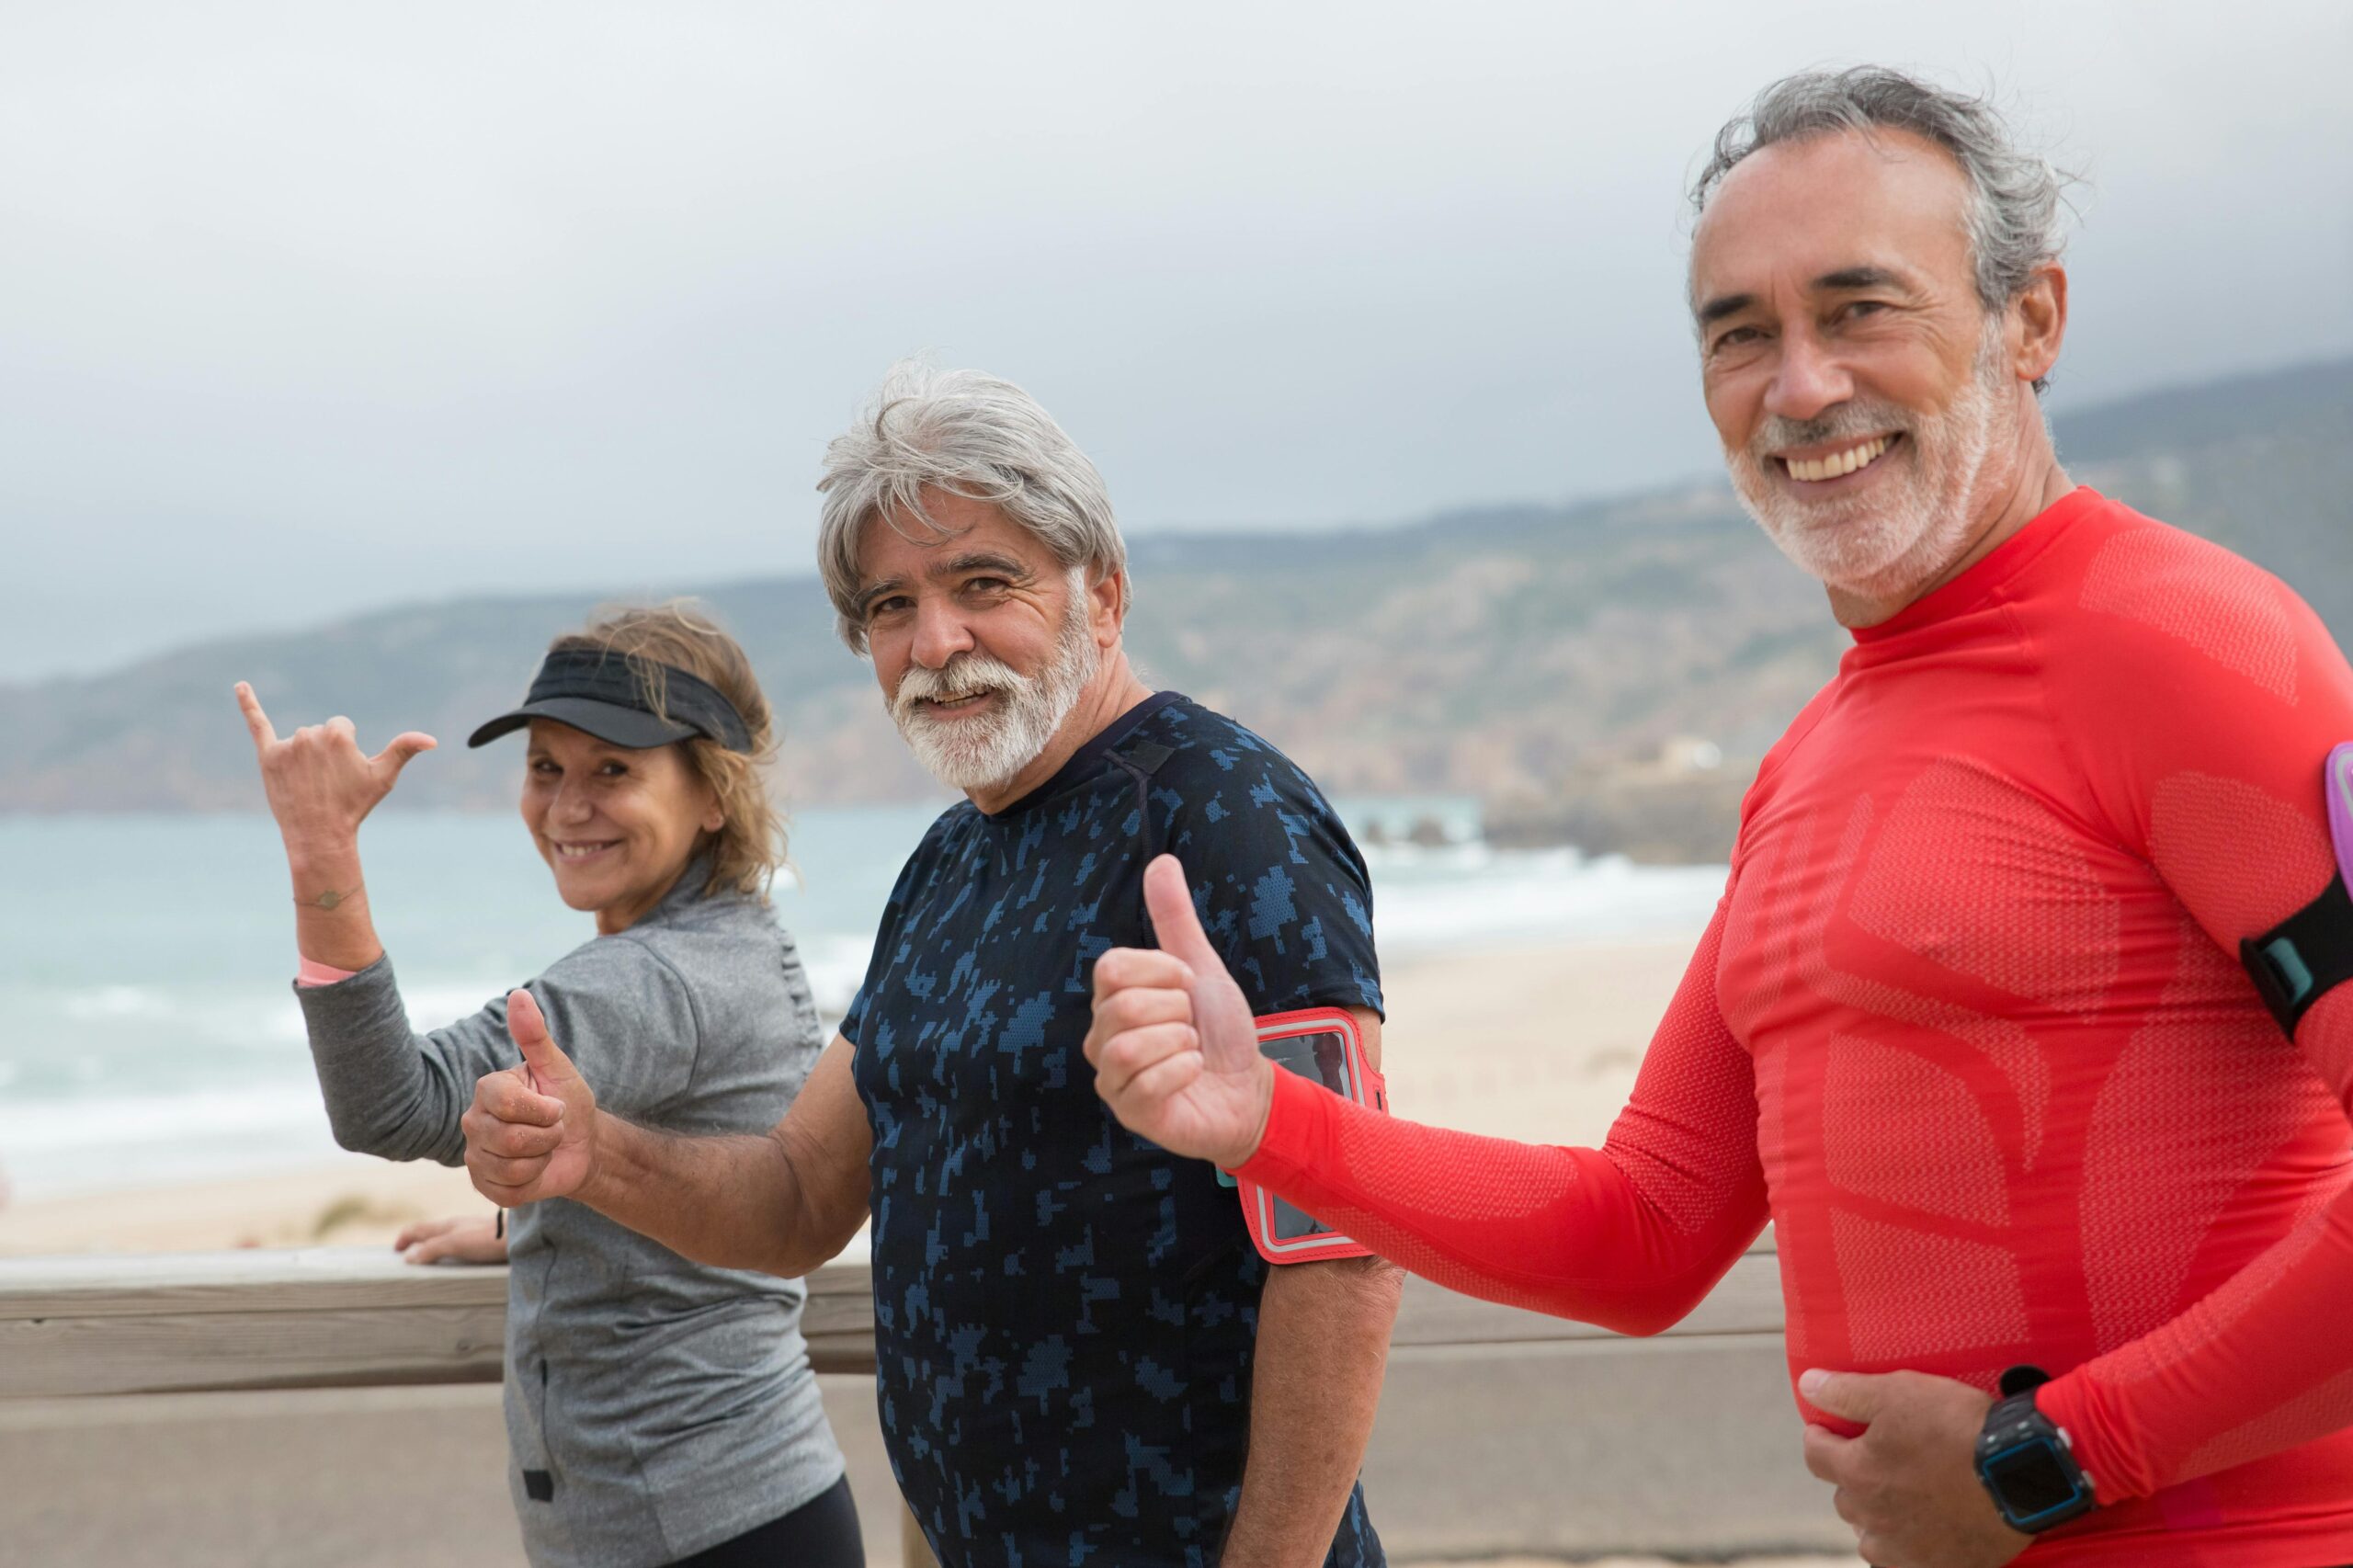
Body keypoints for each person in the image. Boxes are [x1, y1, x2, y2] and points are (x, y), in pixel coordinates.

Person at [1086, 67, 2353, 1568]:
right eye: (1739, 333)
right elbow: (1644, 1229)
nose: (1799, 384)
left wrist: (2057, 1458)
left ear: (2032, 320)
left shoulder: (2197, 652)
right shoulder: (1811, 761)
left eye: (1859, 307)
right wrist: (1268, 1122)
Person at [460, 365, 1402, 1567]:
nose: (935, 641)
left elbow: (1343, 1245)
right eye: (891, 606)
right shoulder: (949, 860)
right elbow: (801, 1194)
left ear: (1101, 594)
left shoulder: (1226, 817)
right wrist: (597, 1154)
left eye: (983, 584)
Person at [237, 602, 860, 1568]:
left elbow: (389, 1101)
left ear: (712, 793)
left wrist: (322, 851)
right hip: (750, 1501)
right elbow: (699, 1154)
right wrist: (537, 1227)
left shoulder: (654, 978)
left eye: (613, 768)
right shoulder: (738, 938)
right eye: (545, 768)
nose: (568, 805)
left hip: (692, 1529)